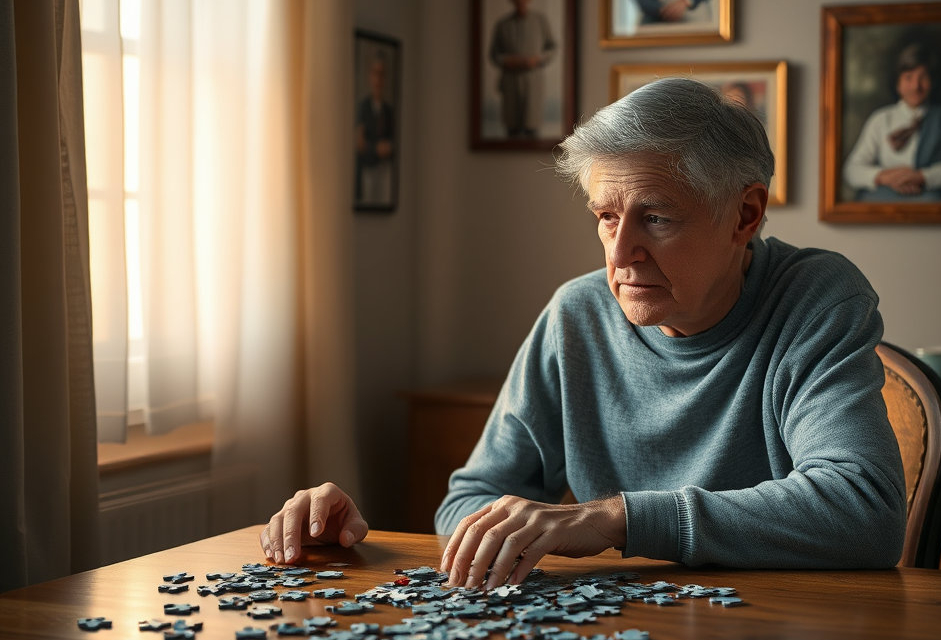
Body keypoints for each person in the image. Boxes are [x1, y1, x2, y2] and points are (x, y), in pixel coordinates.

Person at [260, 78, 906, 588]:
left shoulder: (816, 297)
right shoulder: (577, 315)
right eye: (605, 217)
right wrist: (370, 541)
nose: (620, 254)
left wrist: (613, 518)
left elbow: (863, 513)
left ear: (745, 214)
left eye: (655, 218)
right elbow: (475, 495)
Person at [842, 40, 941, 202]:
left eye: (923, 77)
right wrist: (884, 176)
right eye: (908, 78)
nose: (916, 86)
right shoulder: (881, 119)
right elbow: (852, 170)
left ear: (933, 82)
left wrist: (923, 177)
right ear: (898, 84)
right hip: (887, 201)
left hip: (933, 203)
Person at [489, 0, 556, 139]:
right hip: (510, 81)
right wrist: (508, 61)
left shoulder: (540, 21)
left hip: (533, 80)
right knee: (511, 127)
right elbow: (494, 54)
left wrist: (537, 59)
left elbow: (552, 47)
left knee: (531, 125)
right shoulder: (503, 25)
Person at [355, 52, 395, 205]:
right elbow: (360, 143)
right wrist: (375, 148)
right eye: (375, 73)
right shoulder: (363, 107)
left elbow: (393, 140)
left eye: (382, 74)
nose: (378, 79)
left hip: (384, 169)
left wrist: (389, 147)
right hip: (369, 168)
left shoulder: (388, 111)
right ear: (370, 76)